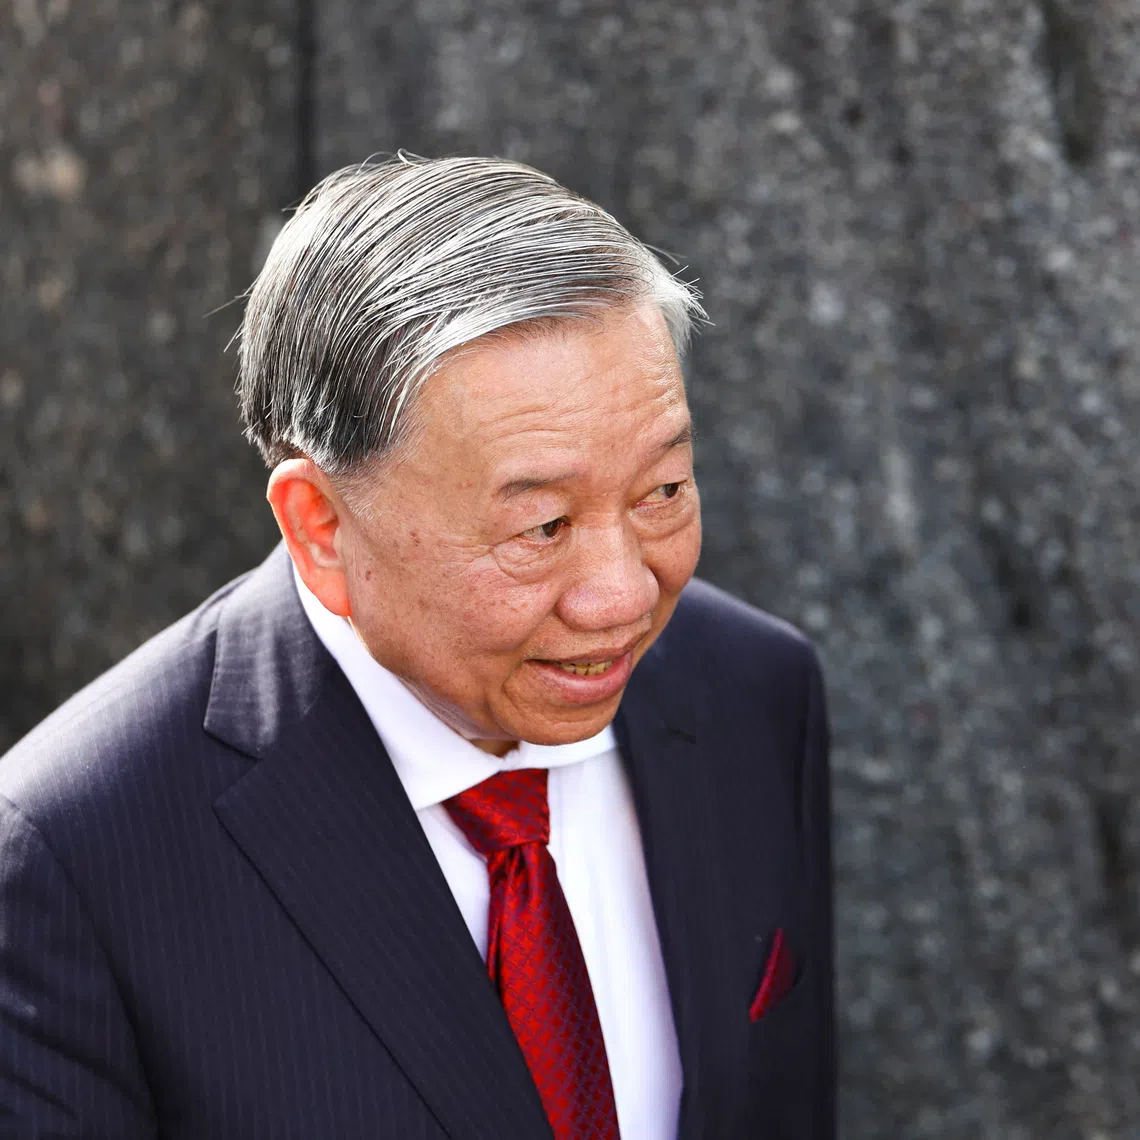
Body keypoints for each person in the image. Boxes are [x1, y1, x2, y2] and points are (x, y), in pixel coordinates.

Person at [0, 154, 834, 1139]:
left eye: (662, 491)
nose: (622, 598)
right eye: (543, 528)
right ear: (320, 525)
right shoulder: (74, 858)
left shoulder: (753, 693)